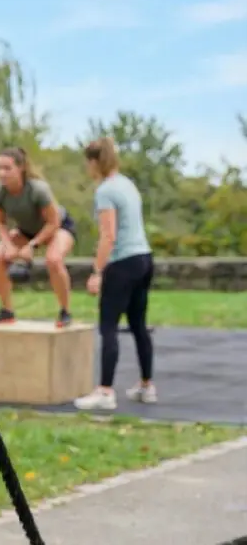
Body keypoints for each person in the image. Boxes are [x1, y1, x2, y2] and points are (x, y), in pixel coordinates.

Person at [74, 138, 156, 411]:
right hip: (144, 259)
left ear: (95, 161)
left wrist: (98, 272)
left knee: (108, 326)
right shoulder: (127, 184)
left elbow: (108, 235)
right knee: (138, 326)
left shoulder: (106, 191)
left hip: (122, 263)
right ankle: (147, 386)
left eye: (88, 161)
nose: (87, 167)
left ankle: (105, 392)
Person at [0, 146, 76, 327]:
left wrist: (32, 246)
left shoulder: (38, 190)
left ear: (20, 168)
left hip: (57, 227)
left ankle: (65, 312)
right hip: (27, 230)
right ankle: (7, 311)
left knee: (53, 260)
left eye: (7, 168)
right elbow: (0, 223)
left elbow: (53, 223)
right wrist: (10, 246)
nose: (2, 173)